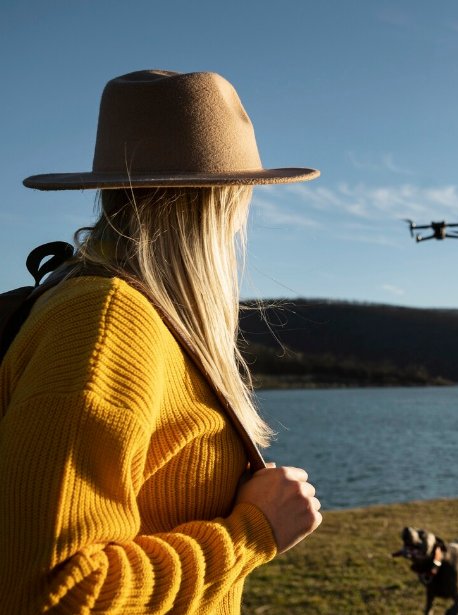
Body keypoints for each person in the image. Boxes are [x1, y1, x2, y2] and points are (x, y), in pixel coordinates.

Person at [0, 70, 323, 613]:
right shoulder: (107, 323)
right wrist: (251, 532)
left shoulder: (122, 310)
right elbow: (48, 593)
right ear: (224, 201)